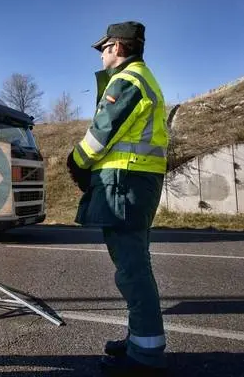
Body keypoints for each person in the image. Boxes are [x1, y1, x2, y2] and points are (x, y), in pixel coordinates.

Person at [67, 21, 169, 376]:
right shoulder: (142, 78)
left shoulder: (128, 81)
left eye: (105, 47)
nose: (103, 54)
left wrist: (76, 161)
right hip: (135, 181)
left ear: (119, 47)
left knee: (131, 268)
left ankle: (145, 356)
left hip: (126, 182)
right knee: (135, 263)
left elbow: (102, 132)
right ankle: (141, 338)